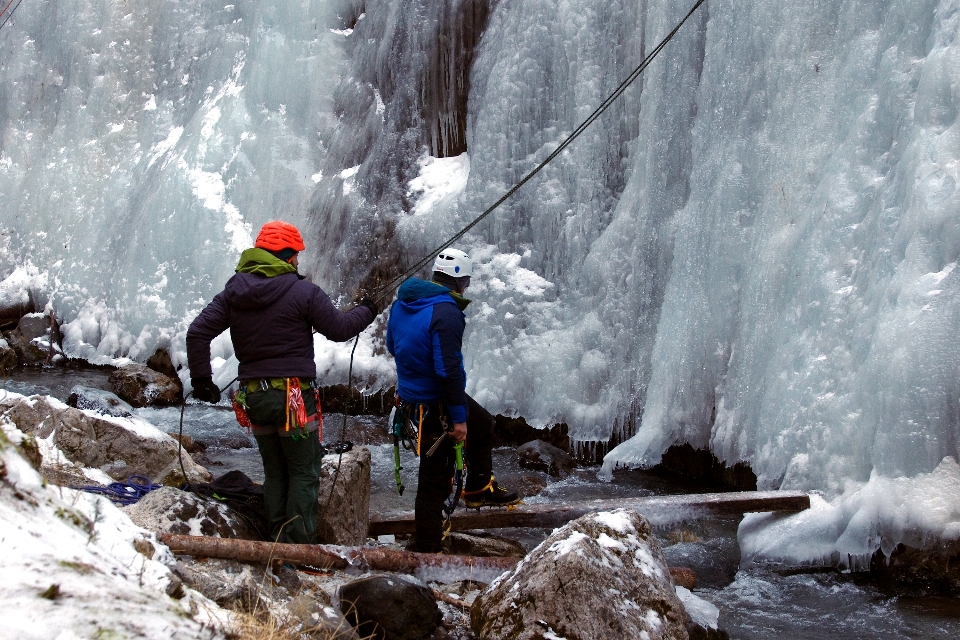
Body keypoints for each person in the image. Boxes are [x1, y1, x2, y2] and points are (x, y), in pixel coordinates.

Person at [186, 220, 376, 544]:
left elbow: (197, 333)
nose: (299, 262)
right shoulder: (303, 291)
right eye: (297, 257)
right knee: (303, 471)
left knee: (275, 472)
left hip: (254, 400)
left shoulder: (234, 291)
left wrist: (202, 380)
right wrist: (368, 310)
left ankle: (275, 543)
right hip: (294, 398)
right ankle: (296, 551)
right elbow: (341, 329)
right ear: (287, 257)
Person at [386, 248, 519, 553]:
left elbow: (395, 347)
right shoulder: (446, 313)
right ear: (460, 281)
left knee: (483, 422)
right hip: (435, 400)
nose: (467, 286)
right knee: (434, 477)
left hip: (416, 393)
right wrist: (458, 419)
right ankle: (426, 547)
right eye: (467, 281)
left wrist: (405, 384)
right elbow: (447, 371)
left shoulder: (403, 304)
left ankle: (477, 487)